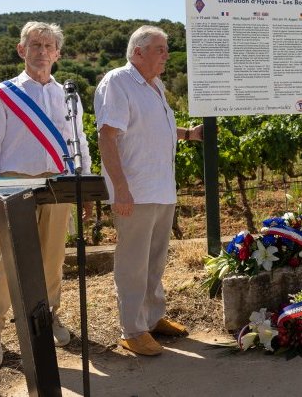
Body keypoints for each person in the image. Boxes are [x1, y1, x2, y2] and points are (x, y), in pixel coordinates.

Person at [0, 21, 92, 368]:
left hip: (58, 183)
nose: (42, 51)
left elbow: (79, 142)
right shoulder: (2, 94)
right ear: (21, 49)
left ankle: (50, 315)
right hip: (12, 184)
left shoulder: (68, 96)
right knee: (6, 261)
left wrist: (83, 186)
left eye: (49, 46)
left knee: (53, 257)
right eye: (35, 45)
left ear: (57, 53)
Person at [94, 25, 204, 356]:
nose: (166, 55)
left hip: (161, 189)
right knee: (133, 264)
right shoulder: (118, 82)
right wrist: (122, 189)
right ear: (138, 52)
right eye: (160, 49)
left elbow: (153, 129)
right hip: (136, 191)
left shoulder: (155, 86)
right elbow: (107, 136)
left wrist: (188, 134)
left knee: (155, 261)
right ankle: (132, 330)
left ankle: (153, 318)